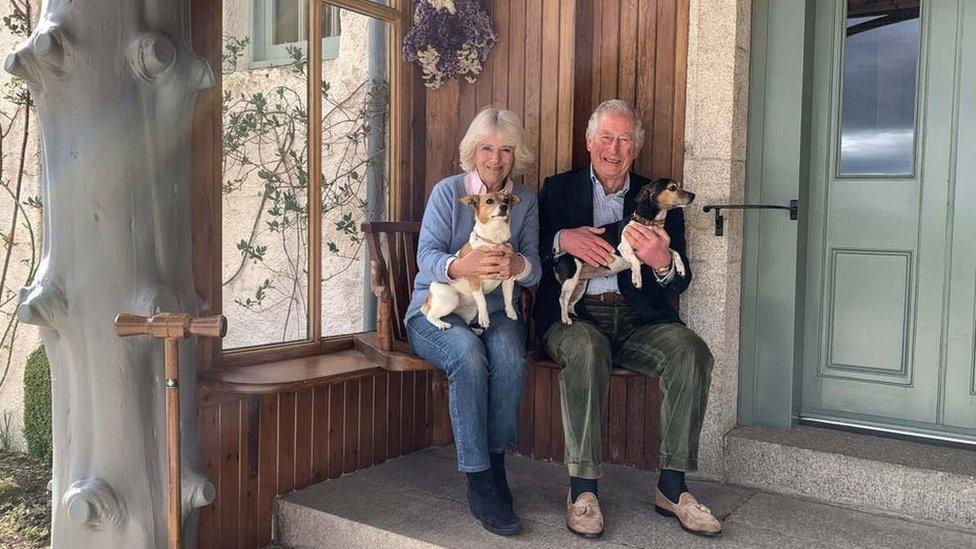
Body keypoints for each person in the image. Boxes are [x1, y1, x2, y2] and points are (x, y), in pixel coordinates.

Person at [534, 99, 720, 538]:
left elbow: (679, 280)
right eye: (606, 138)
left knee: (691, 352)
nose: (613, 149)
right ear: (588, 141)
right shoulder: (557, 189)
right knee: (584, 347)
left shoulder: (659, 197)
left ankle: (672, 488)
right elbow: (531, 251)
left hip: (640, 322)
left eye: (624, 140)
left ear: (636, 148)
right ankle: (582, 490)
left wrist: (660, 261)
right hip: (575, 318)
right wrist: (564, 238)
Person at [404, 107, 541, 536]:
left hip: (495, 311)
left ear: (515, 155)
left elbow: (536, 268)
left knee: (509, 356)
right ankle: (479, 478)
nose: (496, 159)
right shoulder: (448, 193)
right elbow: (426, 256)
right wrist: (461, 265)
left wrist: (518, 263)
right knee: (467, 355)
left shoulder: (526, 202)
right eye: (486, 148)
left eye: (505, 150)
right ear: (472, 152)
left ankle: (496, 464)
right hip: (437, 307)